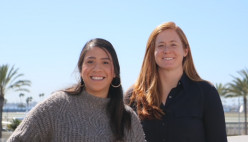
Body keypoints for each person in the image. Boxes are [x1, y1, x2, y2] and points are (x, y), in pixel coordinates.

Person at [8, 38, 145, 142]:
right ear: (81, 69)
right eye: (90, 61)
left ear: (114, 71)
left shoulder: (128, 118)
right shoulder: (56, 106)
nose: (97, 68)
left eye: (105, 62)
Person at [124, 22, 227, 142]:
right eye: (161, 45)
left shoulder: (206, 93)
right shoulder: (133, 96)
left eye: (173, 44)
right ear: (153, 52)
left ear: (185, 51)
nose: (167, 50)